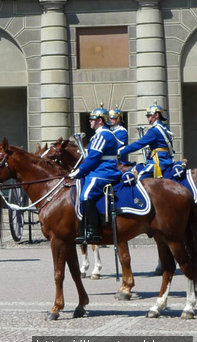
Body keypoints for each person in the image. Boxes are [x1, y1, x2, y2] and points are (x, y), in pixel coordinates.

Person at [68, 106, 121, 244]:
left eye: (92, 119)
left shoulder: (103, 134)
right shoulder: (100, 134)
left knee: (86, 194)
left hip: (105, 171)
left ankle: (93, 231)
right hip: (99, 169)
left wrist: (79, 171)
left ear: (100, 121)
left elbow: (93, 158)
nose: (90, 121)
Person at [119, 103, 175, 179]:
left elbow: (138, 144)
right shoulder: (164, 127)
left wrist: (120, 151)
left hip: (159, 161)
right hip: (165, 159)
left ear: (156, 115)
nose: (147, 118)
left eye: (149, 115)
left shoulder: (154, 130)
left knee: (138, 179)